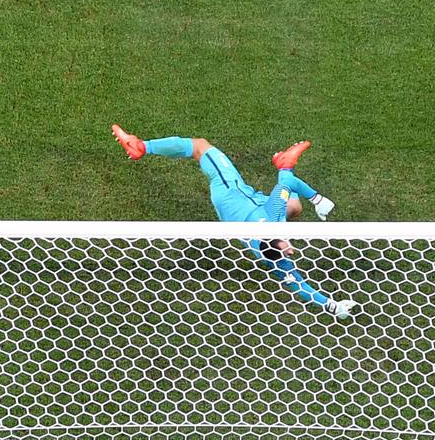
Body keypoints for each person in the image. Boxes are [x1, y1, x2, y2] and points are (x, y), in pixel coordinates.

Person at [111, 125, 358, 319]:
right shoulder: (268, 246)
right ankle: (283, 163)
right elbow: (296, 283)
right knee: (294, 207)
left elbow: (286, 184)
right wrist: (332, 306)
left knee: (199, 146)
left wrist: (317, 198)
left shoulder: (273, 220)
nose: (290, 250)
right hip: (247, 212)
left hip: (231, 193)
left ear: (276, 241)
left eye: (286, 247)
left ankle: (143, 147)